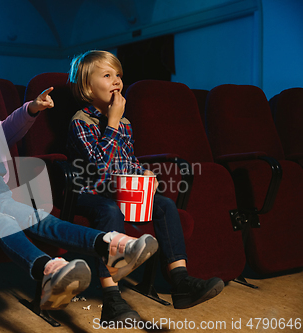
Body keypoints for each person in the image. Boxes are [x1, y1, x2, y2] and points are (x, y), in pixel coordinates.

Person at [0, 69, 159, 311]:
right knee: (2, 222)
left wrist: (33, 107)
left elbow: (12, 123)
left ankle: (112, 246)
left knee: (42, 219)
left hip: (0, 197)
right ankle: (48, 270)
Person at [67, 50, 224, 322]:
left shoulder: (125, 123)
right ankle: (111, 299)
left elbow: (127, 162)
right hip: (88, 193)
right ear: (86, 86)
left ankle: (180, 281)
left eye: (119, 75)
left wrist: (143, 173)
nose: (116, 81)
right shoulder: (81, 121)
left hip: (119, 191)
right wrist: (113, 121)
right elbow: (98, 167)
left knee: (163, 203)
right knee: (110, 210)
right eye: (107, 75)